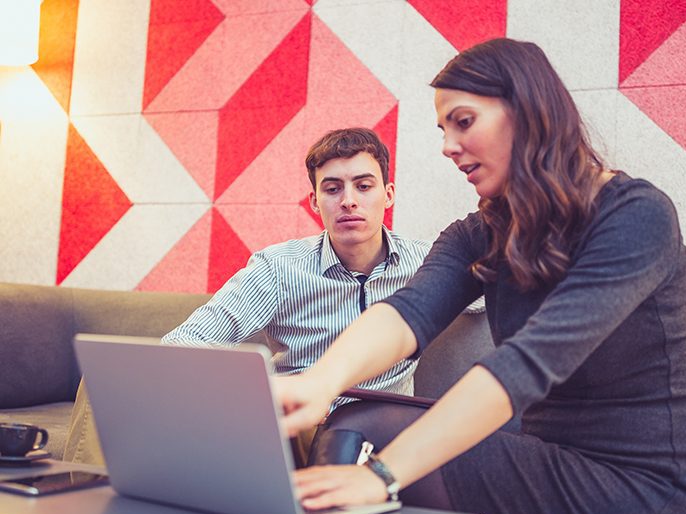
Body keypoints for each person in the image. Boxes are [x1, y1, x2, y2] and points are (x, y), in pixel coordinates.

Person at [276, 39, 686, 514]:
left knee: (378, 449)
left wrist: (382, 476)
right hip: (551, 459)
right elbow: (408, 312)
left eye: (463, 121)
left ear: (529, 112)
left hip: (650, 495)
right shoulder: (482, 231)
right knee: (359, 418)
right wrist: (319, 381)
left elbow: (527, 363)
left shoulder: (635, 215)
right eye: (443, 130)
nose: (447, 145)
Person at [65, 127, 475, 466]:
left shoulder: (429, 262)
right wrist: (247, 388)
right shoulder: (279, 268)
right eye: (332, 189)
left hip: (378, 422)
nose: (348, 199)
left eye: (363, 185)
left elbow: (500, 292)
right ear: (316, 203)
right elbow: (186, 340)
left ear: (388, 195)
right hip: (291, 415)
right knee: (106, 381)